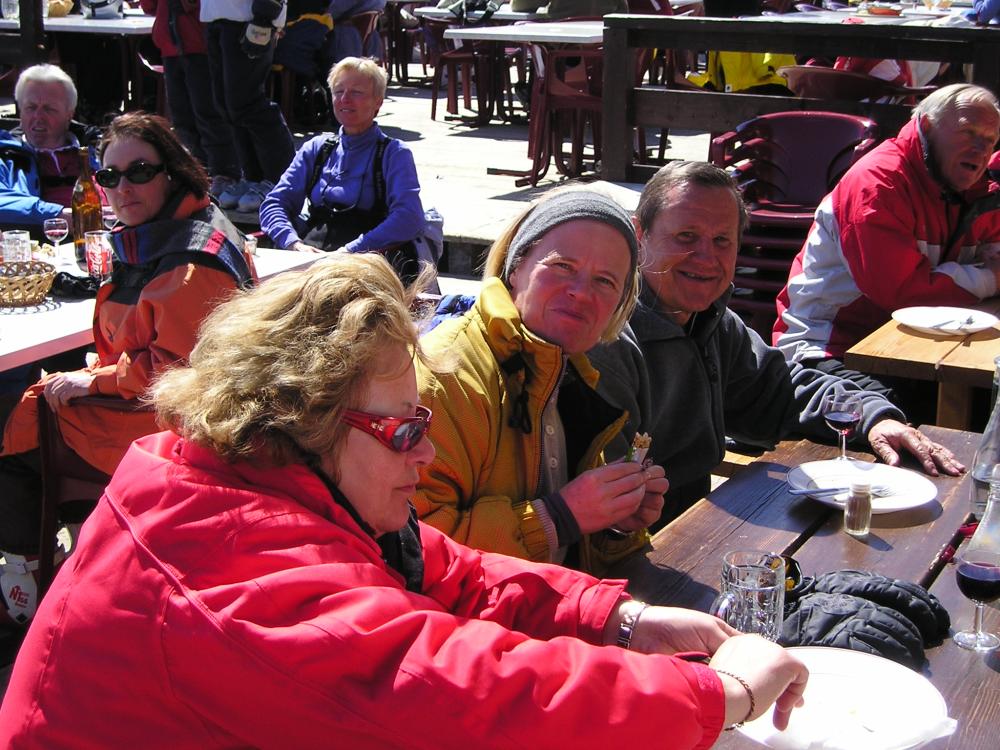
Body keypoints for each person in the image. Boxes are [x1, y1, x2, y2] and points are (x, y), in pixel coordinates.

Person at [0, 253, 809, 747]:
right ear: (306, 422)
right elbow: (462, 692)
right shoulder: (231, 565)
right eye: (402, 431)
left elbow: (448, 570)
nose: (424, 451)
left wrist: (620, 620)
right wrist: (722, 695)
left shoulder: (254, 485)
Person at [588, 161, 965, 526]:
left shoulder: (712, 322)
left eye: (722, 240)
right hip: (638, 545)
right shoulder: (608, 336)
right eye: (686, 236)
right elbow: (609, 505)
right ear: (639, 235)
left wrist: (872, 417)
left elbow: (782, 389)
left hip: (694, 523)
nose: (706, 257)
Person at [0, 112, 254, 625]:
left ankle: (26, 584)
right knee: (37, 405)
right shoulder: (173, 230)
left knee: (20, 439)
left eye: (139, 171)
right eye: (109, 176)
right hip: (165, 411)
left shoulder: (188, 262)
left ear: (172, 172)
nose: (122, 189)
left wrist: (94, 379)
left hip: (171, 429)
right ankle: (81, 557)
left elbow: (174, 372)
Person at [415, 189, 667, 575]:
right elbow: (415, 549)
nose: (581, 292)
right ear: (515, 267)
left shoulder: (570, 373)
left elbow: (568, 552)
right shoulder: (442, 377)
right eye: (562, 265)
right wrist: (558, 517)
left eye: (605, 281)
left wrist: (613, 524)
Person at [773, 84, 1000, 406]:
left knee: (985, 403)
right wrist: (990, 278)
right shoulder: (877, 185)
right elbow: (903, 293)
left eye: (990, 139)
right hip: (826, 349)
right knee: (901, 413)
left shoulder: (976, 189)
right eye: (968, 132)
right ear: (926, 126)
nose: (980, 148)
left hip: (913, 348)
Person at [260, 57, 425, 281]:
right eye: (338, 91)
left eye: (356, 92)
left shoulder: (394, 153)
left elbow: (409, 218)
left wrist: (350, 252)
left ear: (378, 102)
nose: (345, 99)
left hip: (369, 264)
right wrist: (294, 244)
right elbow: (274, 203)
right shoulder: (317, 149)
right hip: (312, 259)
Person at [201, 0, 296, 213]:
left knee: (247, 103)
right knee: (227, 105)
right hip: (216, 16)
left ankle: (279, 178)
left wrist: (265, 16)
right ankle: (254, 177)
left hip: (248, 19)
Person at [140, 0, 242, 199]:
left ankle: (224, 172)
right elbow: (149, 6)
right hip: (171, 45)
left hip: (199, 43)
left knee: (208, 113)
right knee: (181, 117)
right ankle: (194, 170)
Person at [0, 64, 99, 232]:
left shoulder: (97, 150)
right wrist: (57, 215)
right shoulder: (6, 154)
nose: (38, 116)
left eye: (49, 109)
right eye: (31, 107)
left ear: (69, 114)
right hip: (34, 244)